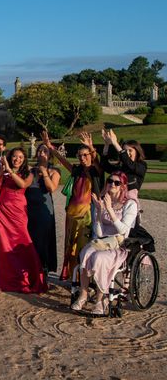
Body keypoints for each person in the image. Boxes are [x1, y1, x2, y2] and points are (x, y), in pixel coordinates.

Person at [71, 172, 138, 315]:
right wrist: (100, 211)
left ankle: (101, 299)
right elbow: (99, 233)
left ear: (122, 186)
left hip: (118, 245)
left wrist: (109, 210)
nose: (112, 184)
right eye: (110, 181)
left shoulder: (130, 204)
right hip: (102, 241)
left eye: (116, 183)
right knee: (85, 252)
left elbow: (123, 230)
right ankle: (83, 294)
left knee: (98, 258)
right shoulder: (102, 201)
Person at [43, 131, 103, 280]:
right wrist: (50, 147)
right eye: (80, 155)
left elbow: (97, 162)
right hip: (72, 214)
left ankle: (84, 277)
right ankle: (73, 276)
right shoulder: (77, 170)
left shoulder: (96, 172)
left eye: (85, 155)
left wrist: (91, 147)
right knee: (71, 247)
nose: (83, 158)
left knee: (83, 246)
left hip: (87, 215)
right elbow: (64, 162)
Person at [0, 147, 47, 293]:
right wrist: (1, 171)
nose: (17, 159)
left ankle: (31, 277)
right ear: (10, 158)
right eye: (15, 156)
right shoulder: (4, 171)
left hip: (18, 212)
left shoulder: (28, 173)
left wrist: (10, 171)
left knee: (23, 241)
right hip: (2, 211)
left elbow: (23, 185)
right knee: (4, 246)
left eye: (21, 157)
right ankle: (6, 280)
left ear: (24, 160)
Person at [25, 143, 60, 281]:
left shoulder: (54, 171)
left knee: (43, 239)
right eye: (39, 150)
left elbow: (52, 188)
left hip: (43, 210)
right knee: (30, 239)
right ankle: (31, 268)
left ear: (50, 155)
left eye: (45, 151)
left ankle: (43, 270)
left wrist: (44, 172)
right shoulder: (31, 170)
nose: (41, 153)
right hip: (29, 209)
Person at [101, 128, 147, 201]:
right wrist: (106, 145)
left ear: (137, 152)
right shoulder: (121, 166)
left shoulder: (141, 165)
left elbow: (129, 164)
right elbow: (105, 166)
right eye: (125, 151)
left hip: (128, 202)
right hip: (115, 201)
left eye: (130, 150)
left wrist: (115, 143)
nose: (127, 153)